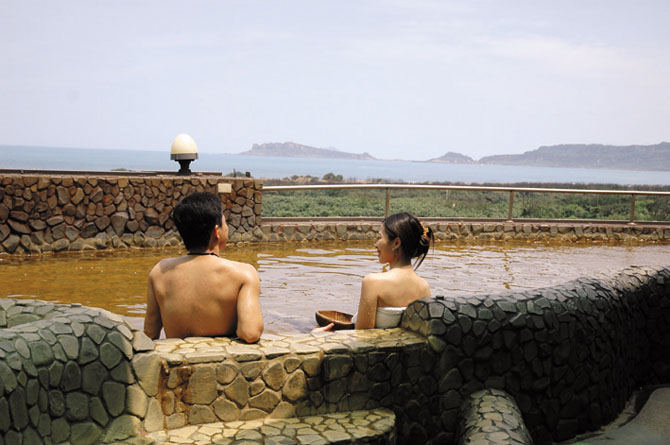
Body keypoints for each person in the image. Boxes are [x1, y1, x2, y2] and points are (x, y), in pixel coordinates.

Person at [143, 192, 263, 342]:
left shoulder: (159, 272)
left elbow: (149, 333)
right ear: (216, 231)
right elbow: (250, 333)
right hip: (220, 356)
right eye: (225, 223)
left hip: (179, 355)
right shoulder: (243, 274)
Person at [315, 212, 434, 332]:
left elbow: (362, 336)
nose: (376, 244)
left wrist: (317, 336)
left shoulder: (373, 282)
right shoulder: (424, 287)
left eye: (380, 237)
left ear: (396, 243)